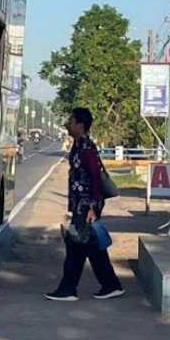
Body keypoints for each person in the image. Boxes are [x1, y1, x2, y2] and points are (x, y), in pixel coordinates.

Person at [45, 107, 124, 301]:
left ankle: (68, 288)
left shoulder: (87, 148)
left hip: (86, 205)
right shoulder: (78, 145)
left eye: (70, 121)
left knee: (75, 246)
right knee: (90, 246)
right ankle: (110, 284)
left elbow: (96, 178)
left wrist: (92, 207)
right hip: (81, 204)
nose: (67, 124)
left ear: (80, 124)